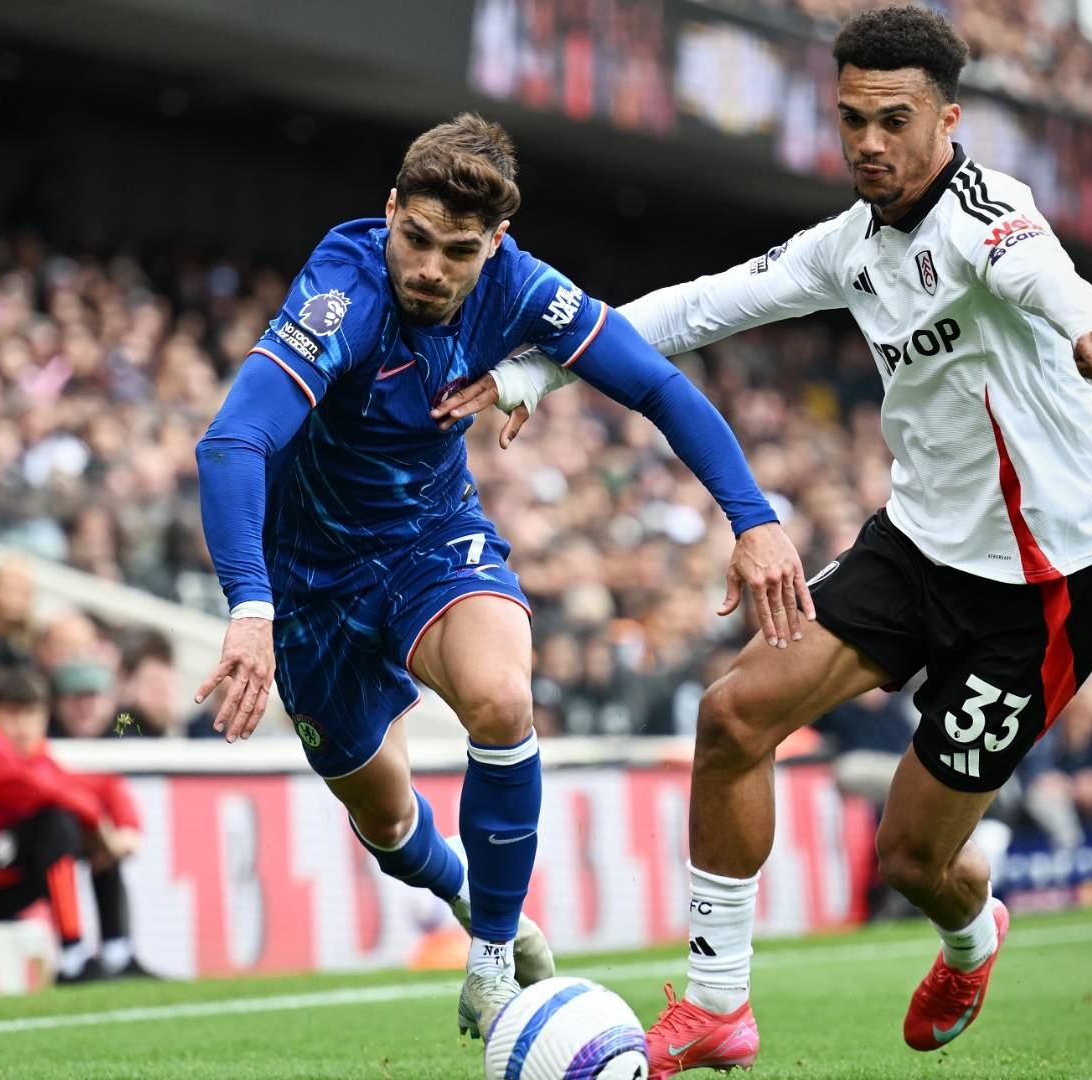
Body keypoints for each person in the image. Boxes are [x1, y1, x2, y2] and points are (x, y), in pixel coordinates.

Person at [441, 8, 1092, 1072]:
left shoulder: (989, 213)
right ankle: (718, 1004)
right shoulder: (850, 246)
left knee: (912, 859)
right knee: (732, 716)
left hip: (1039, 589)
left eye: (894, 120)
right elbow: (698, 308)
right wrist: (538, 368)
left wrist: (1087, 318)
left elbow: (1037, 268)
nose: (868, 141)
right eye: (852, 118)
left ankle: (972, 935)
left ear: (948, 121)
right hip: (914, 549)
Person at [193, 112, 808, 1038]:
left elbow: (658, 386)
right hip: (308, 578)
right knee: (388, 823)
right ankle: (463, 891)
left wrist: (754, 519)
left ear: (496, 244)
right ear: (389, 210)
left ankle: (489, 963)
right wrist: (251, 606)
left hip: (431, 542)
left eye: (459, 252)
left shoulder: (523, 291)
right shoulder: (344, 289)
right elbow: (233, 442)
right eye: (416, 238)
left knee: (502, 699)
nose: (430, 269)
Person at [0, 667, 149, 983]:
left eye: (31, 714)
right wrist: (98, 825)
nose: (22, 725)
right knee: (59, 823)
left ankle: (117, 953)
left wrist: (127, 828)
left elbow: (106, 785)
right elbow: (42, 790)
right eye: (11, 714)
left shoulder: (34, 758)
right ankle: (72, 958)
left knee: (77, 827)